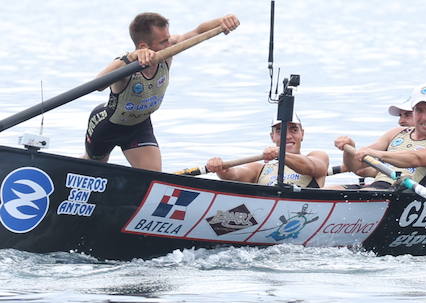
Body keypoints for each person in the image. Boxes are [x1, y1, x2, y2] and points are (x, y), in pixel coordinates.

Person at [84, 11, 241, 170]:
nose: (170, 45)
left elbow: (199, 32)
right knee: (92, 169)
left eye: (168, 39)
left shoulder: (167, 52)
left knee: (152, 176)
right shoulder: (125, 65)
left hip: (139, 126)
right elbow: (98, 84)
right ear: (144, 46)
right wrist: (131, 58)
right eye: (164, 42)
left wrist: (222, 21)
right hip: (107, 126)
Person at [334, 83, 426, 188]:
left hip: (407, 195)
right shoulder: (395, 133)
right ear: (413, 110)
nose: (425, 117)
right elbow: (357, 167)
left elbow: (416, 158)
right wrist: (349, 149)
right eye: (419, 110)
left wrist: (377, 154)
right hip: (379, 188)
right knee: (333, 189)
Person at [207, 117, 330, 188]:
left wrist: (280, 154)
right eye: (280, 131)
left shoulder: (317, 156)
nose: (287, 136)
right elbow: (233, 175)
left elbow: (312, 167)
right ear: (272, 137)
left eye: (293, 129)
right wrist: (221, 168)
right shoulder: (259, 168)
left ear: (302, 134)